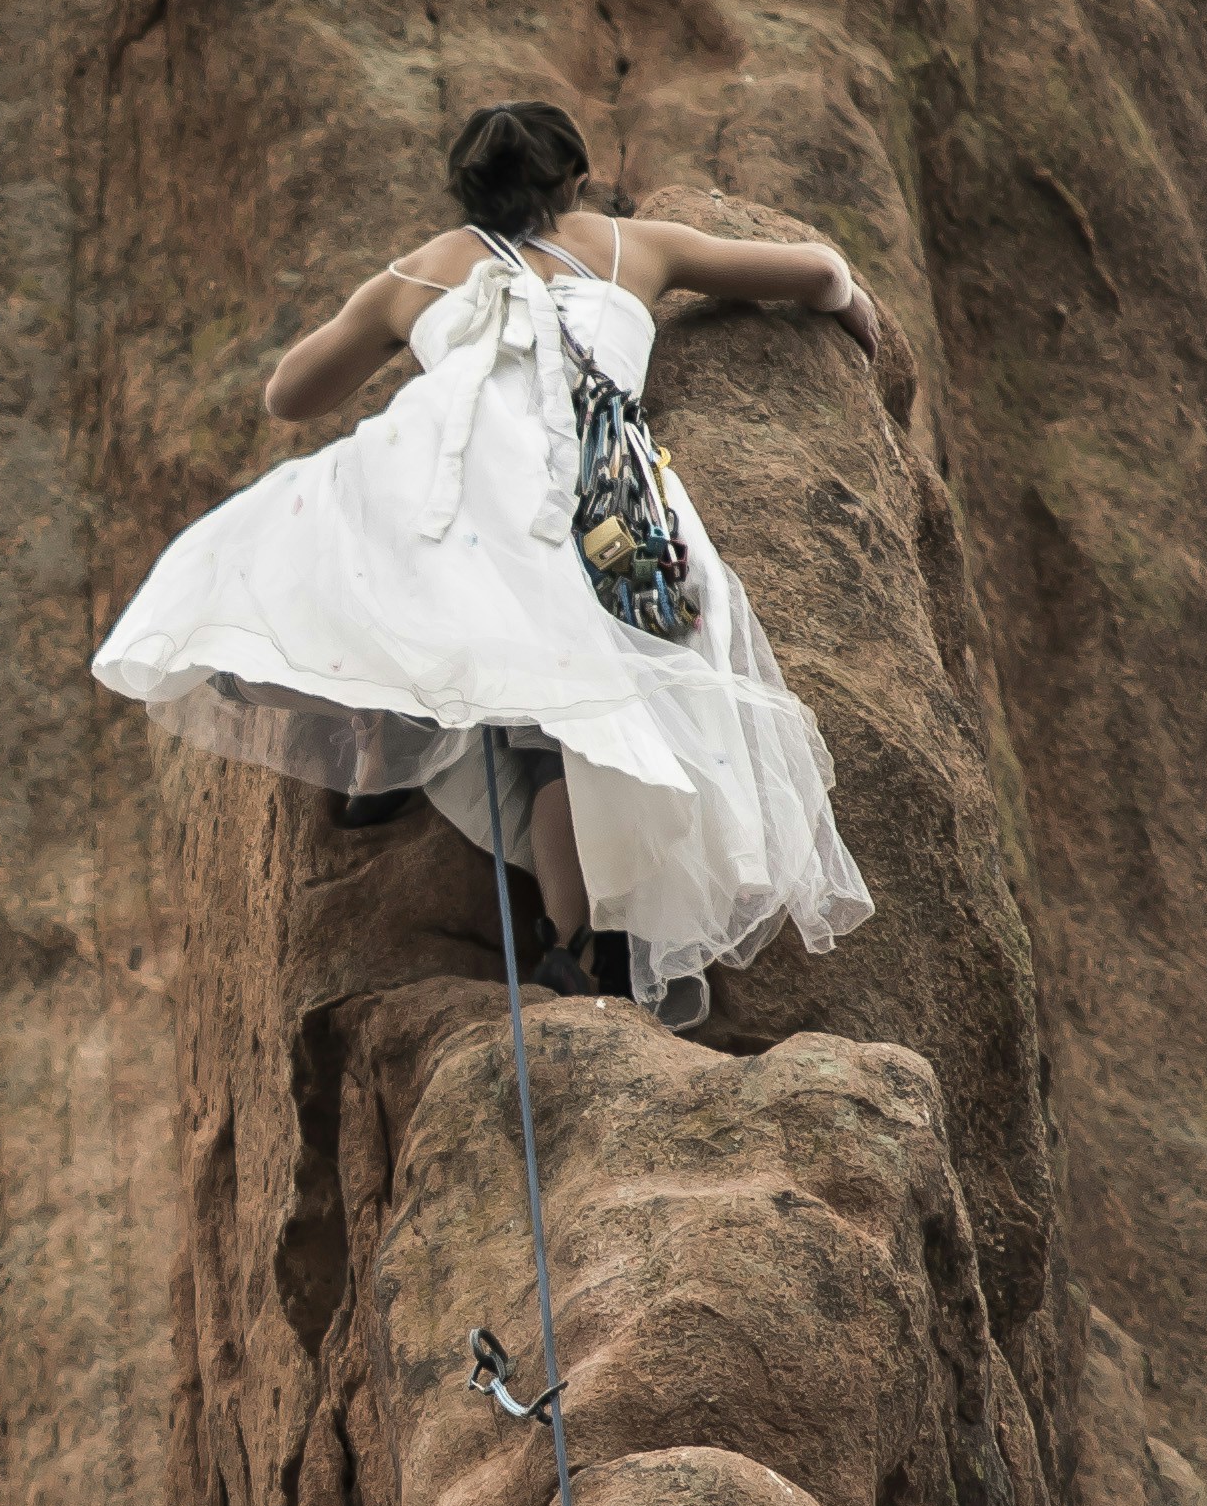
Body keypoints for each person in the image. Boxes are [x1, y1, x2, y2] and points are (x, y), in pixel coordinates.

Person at [89, 101, 877, 1026]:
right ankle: (579, 943)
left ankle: (389, 726)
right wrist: (851, 304)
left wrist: (397, 314)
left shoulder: (421, 271)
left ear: (464, 193)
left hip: (447, 498)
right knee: (568, 717)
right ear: (575, 178)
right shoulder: (630, 246)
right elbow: (819, 271)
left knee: (388, 600)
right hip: (582, 503)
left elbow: (288, 393)